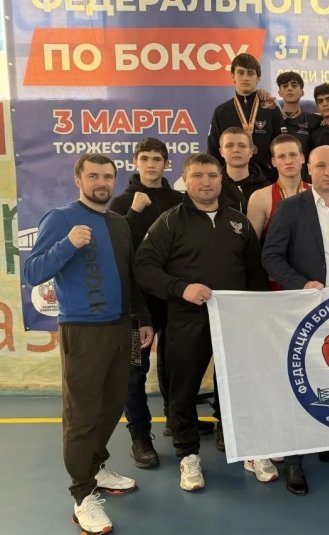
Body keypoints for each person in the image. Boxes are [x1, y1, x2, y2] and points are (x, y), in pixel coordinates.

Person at [23, 153, 153, 535]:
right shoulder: (61, 218)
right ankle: (82, 495)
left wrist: (143, 319)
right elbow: (33, 271)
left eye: (107, 176)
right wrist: (68, 244)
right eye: (93, 176)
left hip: (122, 328)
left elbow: (129, 275)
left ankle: (95, 468)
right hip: (82, 330)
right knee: (81, 415)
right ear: (78, 180)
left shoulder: (118, 223)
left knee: (113, 404)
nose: (102, 182)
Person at [134, 153, 269, 492]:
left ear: (221, 180)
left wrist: (255, 313)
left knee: (239, 386)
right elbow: (144, 267)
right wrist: (181, 288)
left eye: (212, 175)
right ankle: (188, 455)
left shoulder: (238, 222)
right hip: (187, 321)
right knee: (182, 391)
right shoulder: (169, 222)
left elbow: (255, 271)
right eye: (198, 175)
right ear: (186, 180)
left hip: (234, 321)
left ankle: (249, 450)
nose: (205, 182)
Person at [262, 145, 329, 496]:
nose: (328, 172)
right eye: (321, 165)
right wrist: (301, 284)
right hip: (304, 312)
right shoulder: (291, 208)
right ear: (309, 168)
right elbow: (270, 256)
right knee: (300, 384)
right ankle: (295, 460)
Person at [109, 138, 190, 470]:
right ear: (135, 162)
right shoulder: (121, 203)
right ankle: (140, 436)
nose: (151, 164)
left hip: (172, 298)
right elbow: (115, 247)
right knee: (134, 369)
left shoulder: (179, 201)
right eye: (145, 158)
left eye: (158, 159)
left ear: (166, 163)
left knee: (176, 363)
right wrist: (133, 213)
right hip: (136, 302)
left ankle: (175, 419)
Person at [208, 53, 285, 180]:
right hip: (230, 182)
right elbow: (213, 151)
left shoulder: (271, 108)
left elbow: (282, 146)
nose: (245, 78)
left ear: (258, 78)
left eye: (250, 73)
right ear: (233, 76)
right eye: (240, 72)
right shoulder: (221, 112)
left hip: (266, 179)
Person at [248, 134, 310, 243]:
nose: (288, 161)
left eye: (293, 155)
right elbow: (251, 247)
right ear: (273, 162)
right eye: (282, 156)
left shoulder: (318, 192)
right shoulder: (260, 198)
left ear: (302, 158)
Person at [218, 126, 270, 214]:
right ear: (221, 152)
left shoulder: (267, 188)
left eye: (242, 146)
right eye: (229, 145)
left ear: (251, 151)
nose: (236, 150)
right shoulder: (213, 186)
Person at [276, 71, 322, 164]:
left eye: (294, 85)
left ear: (302, 92)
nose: (289, 88)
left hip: (304, 172)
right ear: (279, 92)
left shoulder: (314, 120)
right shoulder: (273, 118)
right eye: (285, 86)